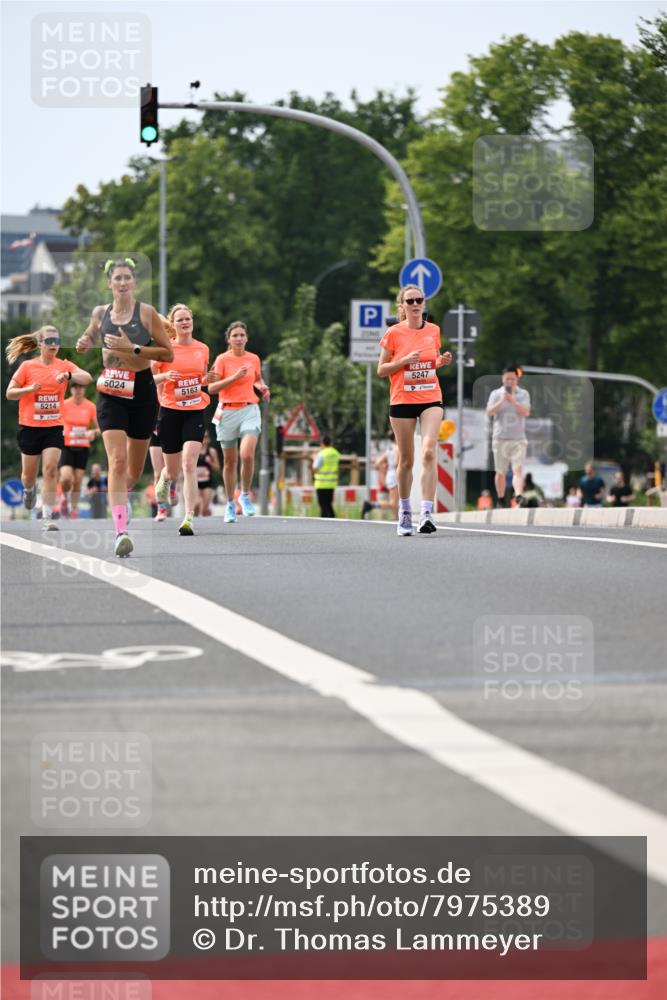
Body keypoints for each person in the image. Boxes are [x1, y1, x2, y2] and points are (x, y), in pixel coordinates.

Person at [76, 258, 173, 556]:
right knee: (115, 462)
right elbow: (93, 335)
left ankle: (124, 496)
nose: (121, 283)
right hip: (110, 391)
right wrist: (85, 341)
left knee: (132, 471)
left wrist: (130, 347)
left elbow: (166, 353)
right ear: (109, 283)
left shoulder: (146, 313)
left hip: (142, 390)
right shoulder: (99, 312)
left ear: (134, 282)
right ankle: (121, 531)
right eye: (116, 278)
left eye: (126, 277)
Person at [377, 285, 452, 536]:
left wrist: (441, 361)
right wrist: (403, 361)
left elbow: (431, 362)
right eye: (410, 301)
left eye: (420, 299)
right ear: (403, 307)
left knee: (429, 452)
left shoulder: (433, 330)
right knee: (406, 460)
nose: (416, 304)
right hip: (402, 400)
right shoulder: (394, 333)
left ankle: (427, 514)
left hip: (431, 397)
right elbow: (382, 369)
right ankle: (405, 511)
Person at [5, 326, 92, 530]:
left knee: (51, 469)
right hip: (29, 427)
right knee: (28, 475)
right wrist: (28, 389)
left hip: (54, 426)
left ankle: (47, 515)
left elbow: (87, 377)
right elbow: (10, 393)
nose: (54, 345)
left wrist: (69, 376)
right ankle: (28, 490)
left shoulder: (64, 365)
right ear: (40, 344)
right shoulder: (27, 366)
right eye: (49, 341)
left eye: (57, 341)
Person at [151, 303, 210, 536]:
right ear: (173, 325)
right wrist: (165, 376)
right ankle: (165, 480)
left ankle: (188, 517)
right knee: (172, 471)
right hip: (169, 412)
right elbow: (149, 380)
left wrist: (208, 378)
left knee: (189, 464)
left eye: (188, 319)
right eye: (180, 320)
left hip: (195, 410)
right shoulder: (164, 350)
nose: (185, 322)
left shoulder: (203, 349)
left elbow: (202, 378)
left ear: (192, 321)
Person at [209, 321, 270, 523]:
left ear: (247, 338)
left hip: (249, 409)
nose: (239, 338)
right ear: (229, 339)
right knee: (230, 462)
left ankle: (244, 494)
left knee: (247, 454)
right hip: (227, 411)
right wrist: (234, 377)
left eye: (242, 335)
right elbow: (212, 388)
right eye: (235, 335)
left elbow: (257, 379)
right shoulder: (222, 360)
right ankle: (229, 503)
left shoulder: (253, 358)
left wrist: (262, 387)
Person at [485, 366, 531, 508]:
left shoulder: (523, 394)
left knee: (518, 469)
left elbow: (526, 412)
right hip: (500, 438)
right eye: (507, 379)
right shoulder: (495, 394)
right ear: (503, 379)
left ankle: (518, 496)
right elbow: (489, 412)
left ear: (517, 379)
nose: (510, 381)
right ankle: (500, 498)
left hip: (518, 438)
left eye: (512, 379)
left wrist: (513, 401)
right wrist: (502, 401)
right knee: (501, 472)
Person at [59, 383, 99, 518]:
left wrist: (92, 432)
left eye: (81, 387)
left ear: (84, 389)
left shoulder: (90, 406)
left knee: (78, 480)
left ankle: (74, 508)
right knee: (66, 478)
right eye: (75, 387)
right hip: (66, 445)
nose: (78, 390)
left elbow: (100, 428)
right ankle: (64, 499)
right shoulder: (63, 404)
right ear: (71, 389)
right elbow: (54, 421)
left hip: (82, 446)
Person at [362, 431, 399, 520]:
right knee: (393, 503)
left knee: (396, 501)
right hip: (395, 474)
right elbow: (396, 463)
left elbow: (377, 463)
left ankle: (397, 519)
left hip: (390, 474)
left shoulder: (389, 449)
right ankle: (371, 505)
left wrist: (384, 468)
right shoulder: (397, 448)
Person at [313, 435, 341, 518]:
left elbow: (315, 467)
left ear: (322, 444)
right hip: (331, 483)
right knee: (328, 503)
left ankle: (329, 519)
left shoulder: (321, 454)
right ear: (330, 443)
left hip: (321, 484)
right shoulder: (336, 453)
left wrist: (314, 458)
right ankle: (329, 519)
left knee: (323, 505)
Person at [195, 431, 220, 516]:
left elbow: (217, 468)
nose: (203, 439)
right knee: (196, 505)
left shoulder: (211, 451)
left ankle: (205, 524)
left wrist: (210, 462)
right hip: (195, 483)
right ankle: (192, 522)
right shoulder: (194, 451)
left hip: (207, 483)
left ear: (208, 439)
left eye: (205, 437)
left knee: (204, 509)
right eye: (201, 437)